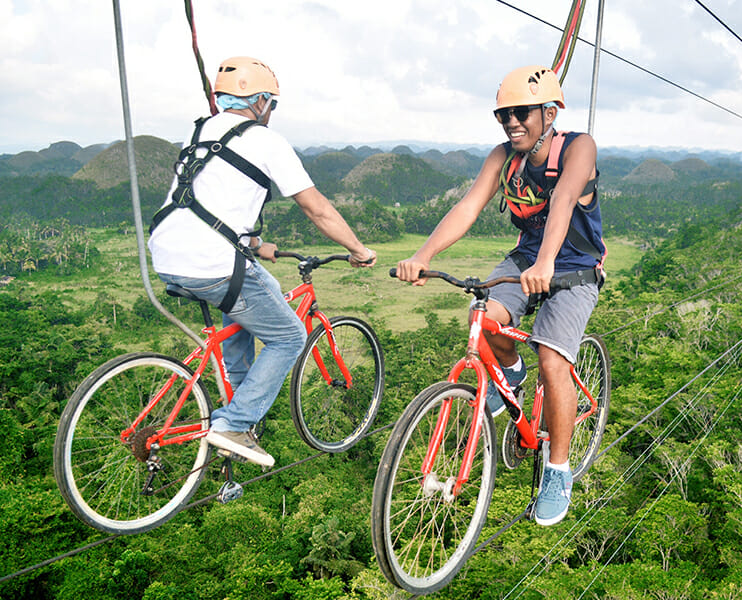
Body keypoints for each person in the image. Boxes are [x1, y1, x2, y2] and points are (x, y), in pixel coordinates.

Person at [395, 65, 605, 526]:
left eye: (522, 112)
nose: (512, 122)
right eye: (504, 114)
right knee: (485, 320)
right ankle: (510, 373)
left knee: (553, 360)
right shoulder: (503, 157)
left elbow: (565, 201)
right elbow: (468, 205)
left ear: (549, 113)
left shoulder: (579, 147)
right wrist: (424, 254)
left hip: (573, 269)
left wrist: (547, 261)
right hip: (526, 260)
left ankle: (558, 470)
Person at [148, 56, 376, 467]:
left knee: (256, 297)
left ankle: (237, 395)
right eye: (272, 104)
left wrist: (252, 241)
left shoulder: (197, 128)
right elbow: (316, 208)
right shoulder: (266, 140)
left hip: (168, 252)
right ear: (262, 101)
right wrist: (358, 249)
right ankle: (234, 423)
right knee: (289, 336)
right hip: (212, 263)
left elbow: (209, 195)